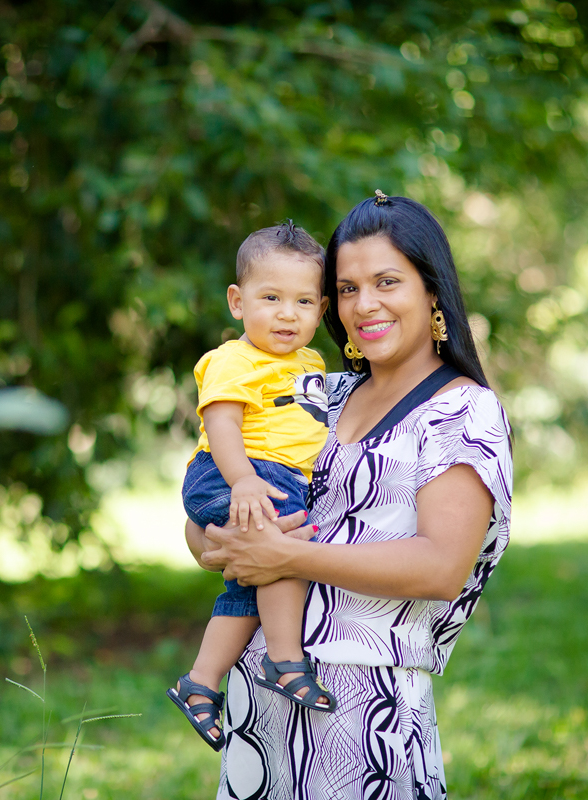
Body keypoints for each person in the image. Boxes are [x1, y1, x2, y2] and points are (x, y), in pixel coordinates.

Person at [192, 192, 513, 800]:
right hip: (257, 708)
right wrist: (222, 539)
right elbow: (210, 509)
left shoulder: (463, 414)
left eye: (387, 281)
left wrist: (284, 557)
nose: (364, 305)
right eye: (345, 288)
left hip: (367, 716)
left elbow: (442, 567)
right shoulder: (316, 392)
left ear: (432, 290)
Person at [167, 221, 339, 753]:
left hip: (275, 479)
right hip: (236, 472)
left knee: (246, 588)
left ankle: (199, 683)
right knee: (282, 554)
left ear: (322, 310)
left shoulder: (311, 362)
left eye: (304, 301)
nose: (288, 314)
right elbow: (221, 424)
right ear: (237, 302)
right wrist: (242, 480)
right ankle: (285, 661)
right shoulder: (233, 360)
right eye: (271, 298)